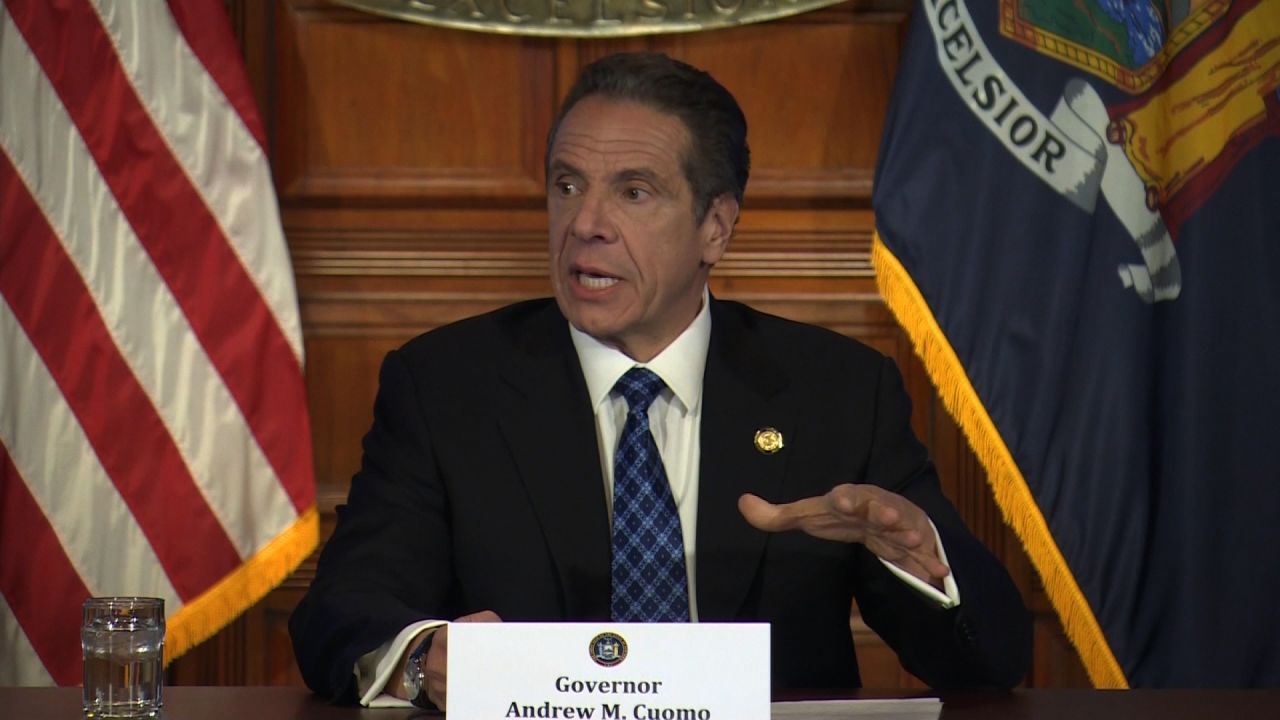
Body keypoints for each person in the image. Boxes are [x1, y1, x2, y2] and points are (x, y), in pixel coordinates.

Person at [289, 52, 1031, 709]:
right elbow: (343, 609)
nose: (586, 223)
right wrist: (421, 660)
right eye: (568, 185)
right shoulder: (446, 385)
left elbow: (989, 664)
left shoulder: (836, 392)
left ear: (716, 226)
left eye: (634, 192)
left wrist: (925, 563)